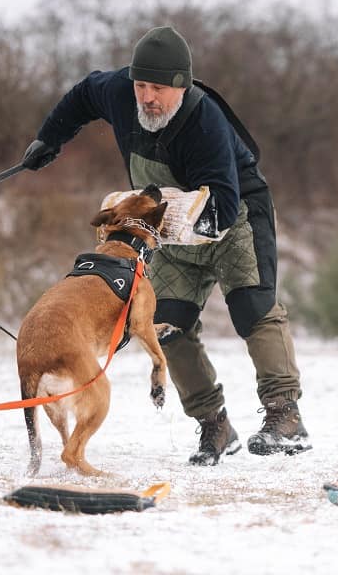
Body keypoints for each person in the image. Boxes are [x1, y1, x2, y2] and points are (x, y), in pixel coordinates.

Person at [22, 25, 310, 465]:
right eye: (141, 85)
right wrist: (50, 138)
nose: (147, 97)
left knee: (253, 307)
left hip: (234, 215)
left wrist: (177, 217)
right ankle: (214, 425)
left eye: (158, 88)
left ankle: (284, 416)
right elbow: (82, 95)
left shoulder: (204, 119)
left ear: (182, 85)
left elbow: (224, 203)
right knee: (166, 324)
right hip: (169, 226)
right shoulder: (118, 92)